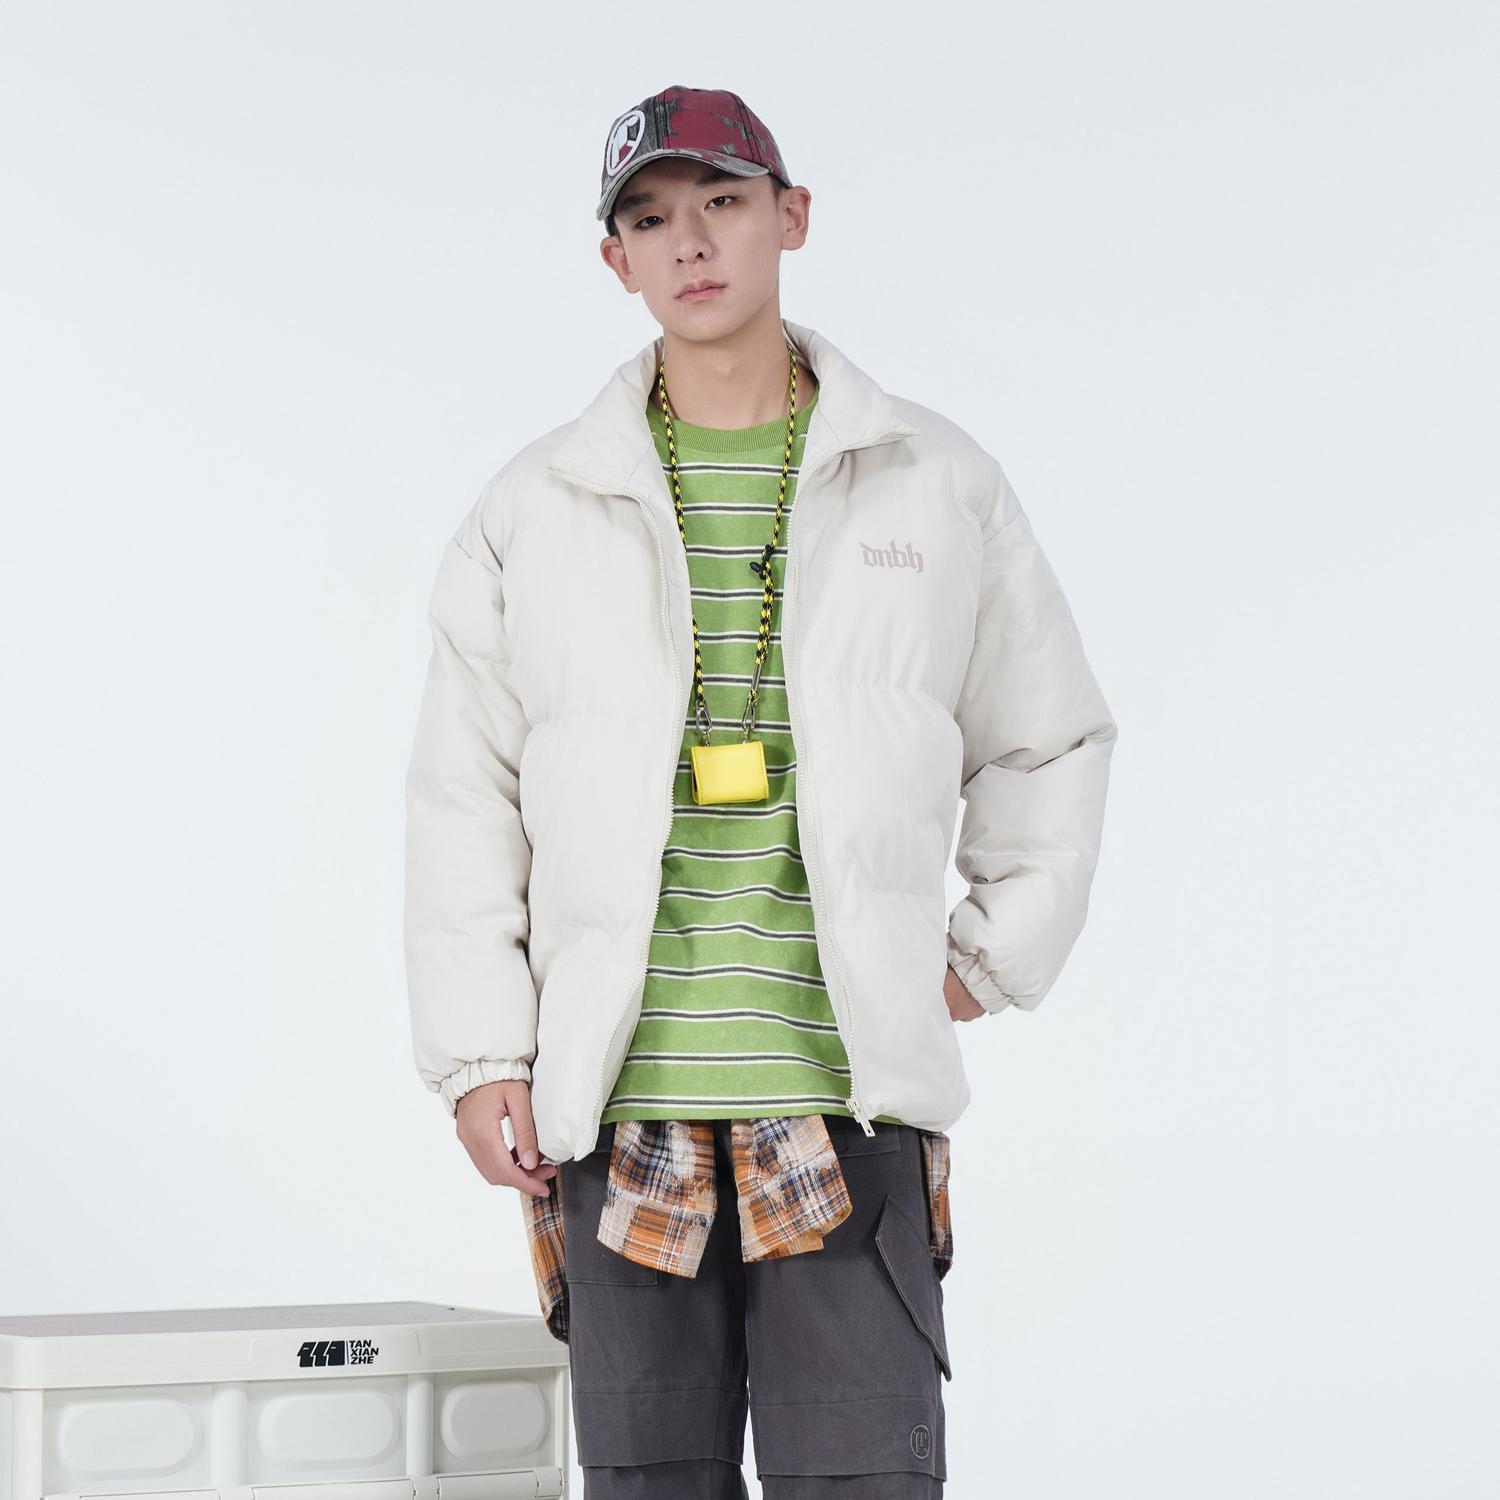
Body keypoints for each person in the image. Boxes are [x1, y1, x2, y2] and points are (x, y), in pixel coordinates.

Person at [403, 83, 1118, 1499]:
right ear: (615, 258)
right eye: (651, 218)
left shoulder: (933, 481)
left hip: (847, 1105)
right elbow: (461, 792)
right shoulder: (535, 506)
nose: (691, 241)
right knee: (647, 1483)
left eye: (723, 201)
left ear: (792, 217)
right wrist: (482, 1056)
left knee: (863, 1482)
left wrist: (985, 957)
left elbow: (1051, 739)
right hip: (622, 1107)